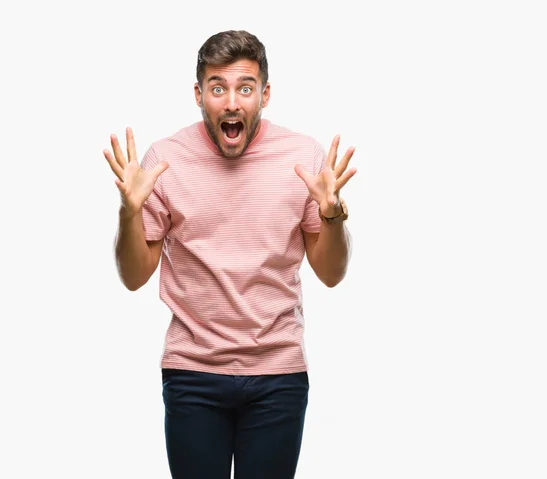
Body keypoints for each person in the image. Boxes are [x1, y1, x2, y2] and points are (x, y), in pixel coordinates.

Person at [103, 29, 357, 479]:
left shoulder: (303, 157)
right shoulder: (166, 159)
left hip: (278, 374)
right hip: (192, 373)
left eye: (245, 88)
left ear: (265, 94)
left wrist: (333, 215)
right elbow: (133, 276)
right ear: (199, 94)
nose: (232, 102)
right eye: (218, 88)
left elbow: (332, 274)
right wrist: (130, 213)